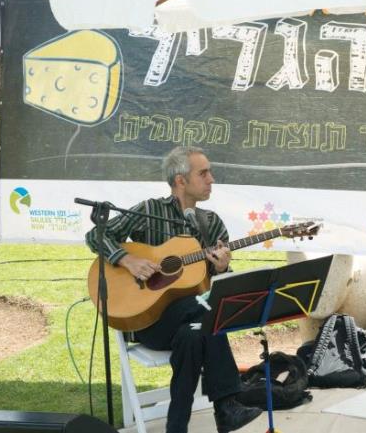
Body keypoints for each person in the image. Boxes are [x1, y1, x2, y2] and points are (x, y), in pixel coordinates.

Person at [85, 146, 261, 433]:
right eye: (203, 173)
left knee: (195, 332)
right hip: (148, 319)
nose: (211, 179)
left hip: (192, 321)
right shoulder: (150, 211)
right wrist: (127, 260)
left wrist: (220, 269)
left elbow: (218, 289)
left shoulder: (211, 223)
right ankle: (227, 407)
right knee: (205, 313)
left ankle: (177, 425)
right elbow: (96, 235)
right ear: (180, 180)